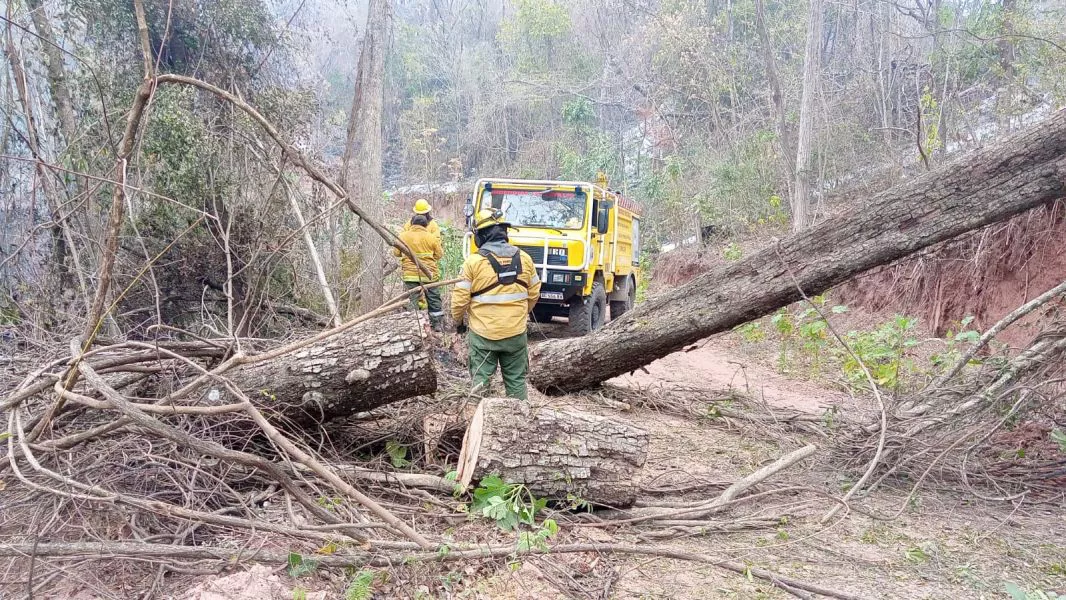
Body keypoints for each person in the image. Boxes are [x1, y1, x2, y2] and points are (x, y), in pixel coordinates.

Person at [451, 208, 541, 400]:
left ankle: (477, 419)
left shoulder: (472, 263)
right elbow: (533, 294)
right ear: (504, 232)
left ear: (481, 235)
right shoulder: (525, 259)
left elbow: (459, 300)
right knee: (516, 382)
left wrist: (458, 322)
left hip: (483, 336)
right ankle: (520, 422)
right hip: (515, 334)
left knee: (480, 383)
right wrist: (520, 314)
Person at [394, 213, 444, 330]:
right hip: (429, 274)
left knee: (412, 300)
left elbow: (396, 253)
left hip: (410, 275)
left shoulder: (403, 236)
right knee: (433, 298)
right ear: (426, 225)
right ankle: (437, 324)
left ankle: (414, 326)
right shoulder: (431, 237)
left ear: (411, 224)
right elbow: (439, 254)